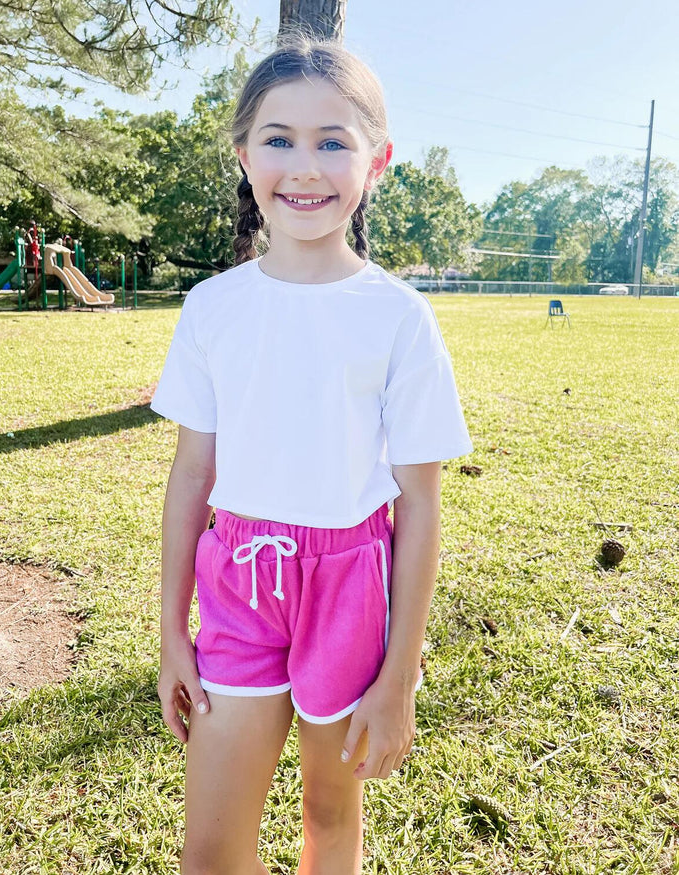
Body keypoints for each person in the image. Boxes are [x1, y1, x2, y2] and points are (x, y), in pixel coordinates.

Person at [151, 37, 472, 875]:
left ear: (378, 161)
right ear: (244, 153)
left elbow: (422, 503)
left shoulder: (398, 316)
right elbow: (192, 475)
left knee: (330, 822)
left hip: (350, 586)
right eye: (278, 138)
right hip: (238, 586)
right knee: (210, 854)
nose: (304, 166)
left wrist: (399, 674)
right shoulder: (212, 307)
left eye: (334, 140)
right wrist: (170, 635)